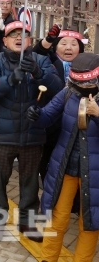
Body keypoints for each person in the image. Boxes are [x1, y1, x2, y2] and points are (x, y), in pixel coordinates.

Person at [0, 21, 62, 242]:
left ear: (30, 41)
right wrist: (10, 79)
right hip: (2, 137)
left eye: (24, 35)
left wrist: (38, 73)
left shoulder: (42, 61)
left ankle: (27, 222)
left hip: (34, 135)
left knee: (30, 184)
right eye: (13, 34)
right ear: (5, 40)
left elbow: (59, 90)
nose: (19, 38)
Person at [27, 53, 99, 262]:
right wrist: (36, 115)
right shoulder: (69, 93)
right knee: (57, 218)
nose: (80, 89)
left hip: (94, 173)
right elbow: (48, 116)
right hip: (64, 166)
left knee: (90, 223)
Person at [34, 25, 84, 182]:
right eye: (63, 43)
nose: (68, 48)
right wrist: (48, 40)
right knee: (47, 156)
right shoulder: (49, 61)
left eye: (74, 44)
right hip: (52, 121)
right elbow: (37, 53)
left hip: (76, 123)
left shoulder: (87, 66)